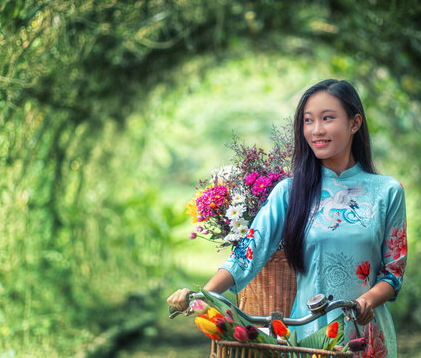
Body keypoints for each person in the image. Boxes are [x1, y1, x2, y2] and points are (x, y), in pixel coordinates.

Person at [168, 79, 407, 357]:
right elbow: (247, 254)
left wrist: (367, 300)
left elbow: (393, 273)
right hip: (307, 336)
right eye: (308, 121)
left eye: (327, 118)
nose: (317, 130)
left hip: (366, 337)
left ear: (354, 123)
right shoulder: (290, 192)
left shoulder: (387, 192)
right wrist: (202, 296)